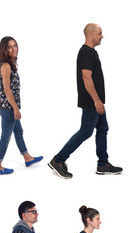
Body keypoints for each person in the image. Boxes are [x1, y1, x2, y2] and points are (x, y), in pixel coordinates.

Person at [49, 24, 122, 178]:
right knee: (85, 131)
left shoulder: (90, 52)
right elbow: (86, 77)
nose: (102, 36)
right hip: (92, 102)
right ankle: (58, 160)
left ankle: (103, 164)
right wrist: (96, 100)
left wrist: (99, 101)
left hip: (97, 101)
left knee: (103, 128)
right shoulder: (86, 53)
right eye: (100, 33)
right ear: (90, 34)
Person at [0, 37, 43, 175]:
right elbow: (7, 89)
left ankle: (27, 158)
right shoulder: (6, 66)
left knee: (18, 132)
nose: (13, 49)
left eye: (15, 45)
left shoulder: (8, 64)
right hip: (8, 107)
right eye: (9, 47)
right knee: (5, 137)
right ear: (4, 49)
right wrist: (15, 108)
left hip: (9, 106)